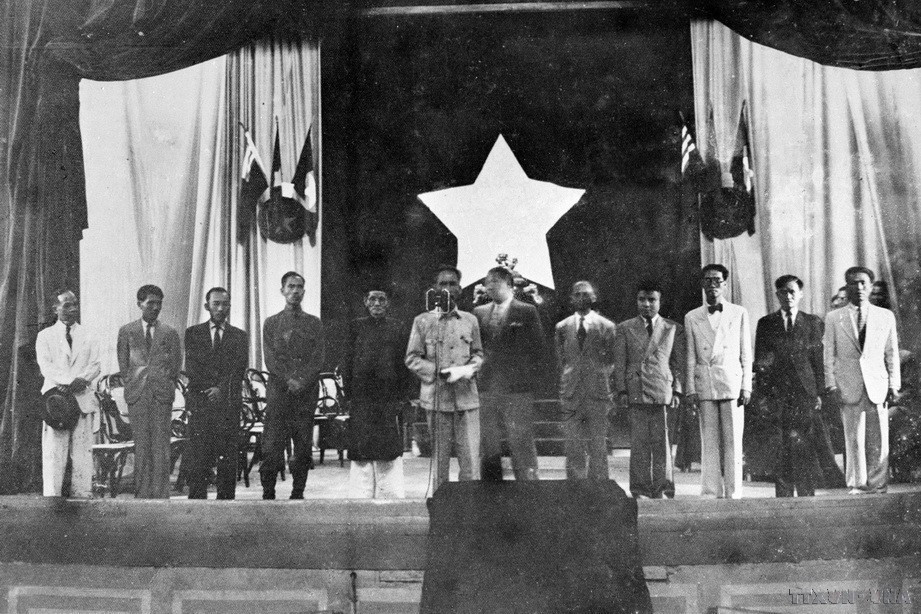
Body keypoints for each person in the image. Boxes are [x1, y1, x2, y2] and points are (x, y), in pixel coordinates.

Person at [406, 264, 483, 493]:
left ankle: (469, 507)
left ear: (459, 288)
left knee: (470, 462)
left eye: (452, 284)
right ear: (435, 289)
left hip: (467, 399)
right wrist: (436, 371)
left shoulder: (470, 320)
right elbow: (412, 358)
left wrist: (470, 368)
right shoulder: (422, 321)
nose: (448, 288)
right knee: (440, 463)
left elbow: (478, 353)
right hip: (437, 400)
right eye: (443, 284)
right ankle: (442, 507)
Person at [824, 266, 900, 494]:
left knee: (878, 438)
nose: (858, 287)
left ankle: (878, 484)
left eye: (863, 283)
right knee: (854, 438)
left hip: (878, 384)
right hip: (848, 384)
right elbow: (828, 354)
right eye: (853, 283)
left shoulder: (885, 316)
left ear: (870, 286)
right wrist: (831, 384)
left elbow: (892, 353)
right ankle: (857, 484)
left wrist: (893, 384)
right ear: (847, 286)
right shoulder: (834, 317)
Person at [684, 264, 752, 499]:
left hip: (731, 383)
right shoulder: (692, 316)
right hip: (706, 382)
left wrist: (746, 386)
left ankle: (734, 491)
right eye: (708, 280)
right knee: (709, 441)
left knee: (733, 441)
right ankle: (711, 491)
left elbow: (746, 353)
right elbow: (690, 356)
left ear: (725, 284)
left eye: (717, 280)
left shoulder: (739, 312)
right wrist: (690, 388)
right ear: (702, 284)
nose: (712, 285)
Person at [754, 275, 825, 497]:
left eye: (792, 291)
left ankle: (806, 494)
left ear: (800, 294)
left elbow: (818, 360)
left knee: (805, 443)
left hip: (805, 392)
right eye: (783, 292)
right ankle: (783, 495)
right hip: (778, 393)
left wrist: (819, 392)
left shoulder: (813, 322)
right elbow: (761, 360)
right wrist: (764, 394)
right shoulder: (766, 323)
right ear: (777, 295)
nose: (788, 296)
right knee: (781, 443)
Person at [474, 266, 545, 482]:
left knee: (521, 441)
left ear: (509, 284)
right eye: (488, 282)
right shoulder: (478, 313)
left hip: (517, 390)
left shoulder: (527, 311)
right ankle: (490, 491)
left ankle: (528, 490)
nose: (490, 286)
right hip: (487, 388)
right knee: (488, 443)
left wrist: (528, 381)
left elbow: (538, 349)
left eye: (495, 281)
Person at [614, 281, 684, 498]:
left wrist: (677, 391)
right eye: (641, 299)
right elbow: (620, 363)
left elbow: (678, 364)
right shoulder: (624, 328)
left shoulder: (672, 328)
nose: (646, 304)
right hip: (636, 390)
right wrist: (622, 390)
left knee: (663, 443)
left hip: (663, 391)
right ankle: (640, 489)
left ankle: (664, 488)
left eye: (651, 300)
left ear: (660, 302)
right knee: (639, 444)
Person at [260, 271, 325, 500]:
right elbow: (270, 359)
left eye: (299, 287)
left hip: (305, 395)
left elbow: (318, 358)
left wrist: (302, 381)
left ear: (304, 291)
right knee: (271, 447)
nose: (295, 291)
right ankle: (268, 493)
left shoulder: (314, 323)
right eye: (290, 286)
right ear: (282, 290)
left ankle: (298, 493)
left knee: (303, 446)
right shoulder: (271, 323)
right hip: (279, 392)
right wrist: (289, 380)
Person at [344, 287, 410, 498]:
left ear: (388, 303)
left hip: (387, 396)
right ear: (365, 301)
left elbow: (404, 363)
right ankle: (361, 496)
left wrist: (402, 396)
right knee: (362, 447)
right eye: (372, 299)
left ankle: (389, 494)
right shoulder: (356, 326)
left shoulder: (397, 327)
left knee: (387, 448)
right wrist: (347, 395)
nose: (377, 303)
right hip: (361, 396)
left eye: (382, 299)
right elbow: (347, 361)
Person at [117, 284, 182, 499]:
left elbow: (175, 366)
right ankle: (143, 495)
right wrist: (133, 384)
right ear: (140, 304)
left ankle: (161, 495)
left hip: (161, 395)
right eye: (150, 303)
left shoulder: (169, 333)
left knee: (161, 447)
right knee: (142, 446)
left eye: (159, 303)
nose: (155, 308)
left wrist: (165, 385)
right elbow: (124, 365)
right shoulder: (127, 331)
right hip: (137, 396)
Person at [184, 287, 248, 500]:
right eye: (216, 304)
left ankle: (226, 503)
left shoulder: (239, 336)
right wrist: (210, 390)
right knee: (199, 458)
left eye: (225, 304)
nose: (221, 308)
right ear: (207, 306)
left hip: (227, 403)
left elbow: (238, 369)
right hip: (201, 403)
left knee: (227, 457)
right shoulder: (193, 333)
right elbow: (192, 368)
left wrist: (220, 389)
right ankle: (197, 504)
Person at [35, 290, 101, 498]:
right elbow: (46, 366)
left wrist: (81, 381)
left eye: (75, 304)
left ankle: (82, 497)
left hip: (82, 399)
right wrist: (66, 383)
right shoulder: (45, 336)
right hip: (56, 401)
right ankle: (52, 499)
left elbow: (95, 364)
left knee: (82, 454)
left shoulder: (89, 334)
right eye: (66, 305)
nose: (73, 309)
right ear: (55, 309)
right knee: (54, 453)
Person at [556, 281, 617, 480]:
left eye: (586, 294)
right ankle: (575, 487)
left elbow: (612, 360)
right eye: (577, 294)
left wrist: (602, 380)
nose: (581, 298)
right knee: (573, 443)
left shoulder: (607, 326)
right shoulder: (562, 327)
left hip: (597, 393)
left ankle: (599, 487)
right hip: (571, 392)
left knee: (598, 444)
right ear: (571, 299)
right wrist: (567, 382)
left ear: (594, 297)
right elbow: (560, 360)